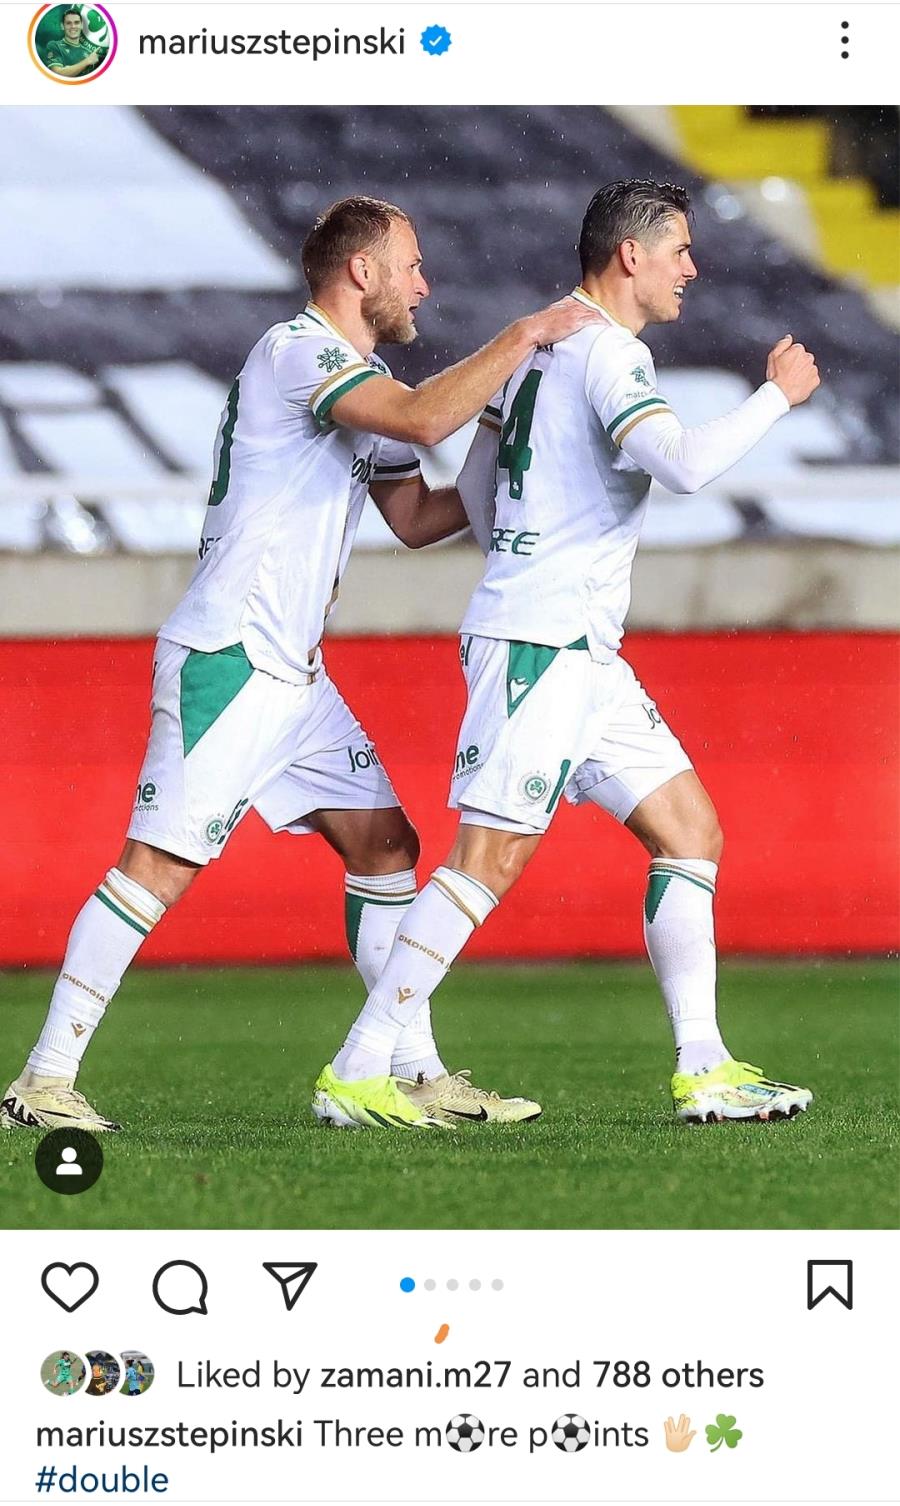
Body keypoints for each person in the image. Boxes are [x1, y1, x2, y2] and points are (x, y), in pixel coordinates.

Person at [1, 196, 600, 1136]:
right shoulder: (296, 352)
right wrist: (523, 336)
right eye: (411, 264)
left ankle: (411, 1072)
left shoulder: (365, 379)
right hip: (233, 658)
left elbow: (420, 519)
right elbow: (418, 420)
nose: (424, 285)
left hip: (295, 678)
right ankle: (42, 1079)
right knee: (156, 867)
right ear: (362, 271)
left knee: (387, 846)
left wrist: (497, 425)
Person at [317, 179, 820, 1128]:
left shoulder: (529, 350)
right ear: (630, 254)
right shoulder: (610, 351)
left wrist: (537, 528)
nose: (691, 268)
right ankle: (359, 1065)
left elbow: (475, 500)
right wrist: (776, 397)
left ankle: (705, 1066)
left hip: (578, 646)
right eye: (679, 250)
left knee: (690, 832)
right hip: (540, 645)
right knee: (487, 860)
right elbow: (683, 465)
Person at [44, 8, 105, 77]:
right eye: (68, 23)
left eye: (76, 22)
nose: (73, 26)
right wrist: (87, 61)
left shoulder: (89, 53)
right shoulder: (55, 46)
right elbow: (58, 74)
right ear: (62, 26)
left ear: (82, 25)